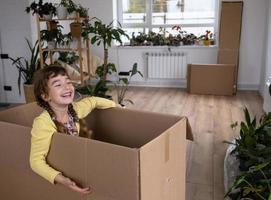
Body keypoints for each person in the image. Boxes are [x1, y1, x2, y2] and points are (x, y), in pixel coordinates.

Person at [30, 65, 116, 195]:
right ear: (46, 96)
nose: (67, 87)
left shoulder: (75, 109)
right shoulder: (42, 123)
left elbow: (93, 101)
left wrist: (117, 105)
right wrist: (62, 179)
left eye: (68, 82)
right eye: (58, 84)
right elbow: (36, 161)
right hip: (63, 168)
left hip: (77, 160)